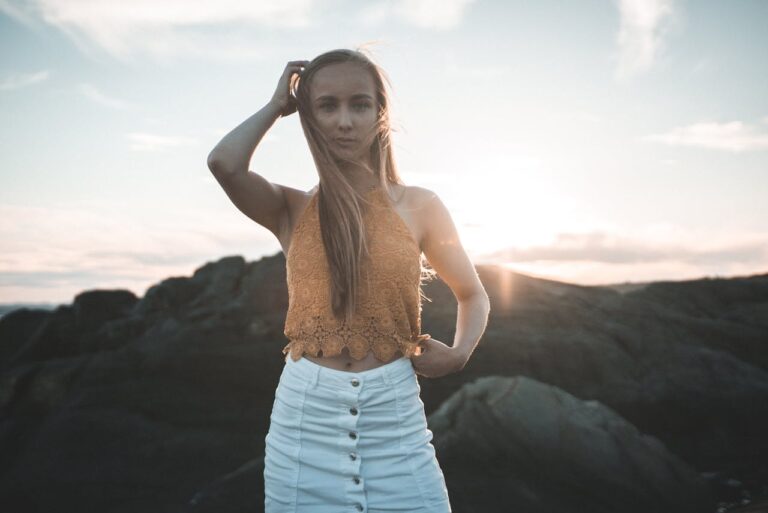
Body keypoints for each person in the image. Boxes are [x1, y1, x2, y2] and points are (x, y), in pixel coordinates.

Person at [207, 48, 490, 513]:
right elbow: (225, 164)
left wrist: (460, 353)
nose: (344, 121)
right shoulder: (291, 208)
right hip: (304, 428)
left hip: (394, 420)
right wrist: (277, 105)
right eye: (327, 106)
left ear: (380, 113)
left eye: (359, 104)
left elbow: (472, 294)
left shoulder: (421, 206)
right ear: (309, 117)